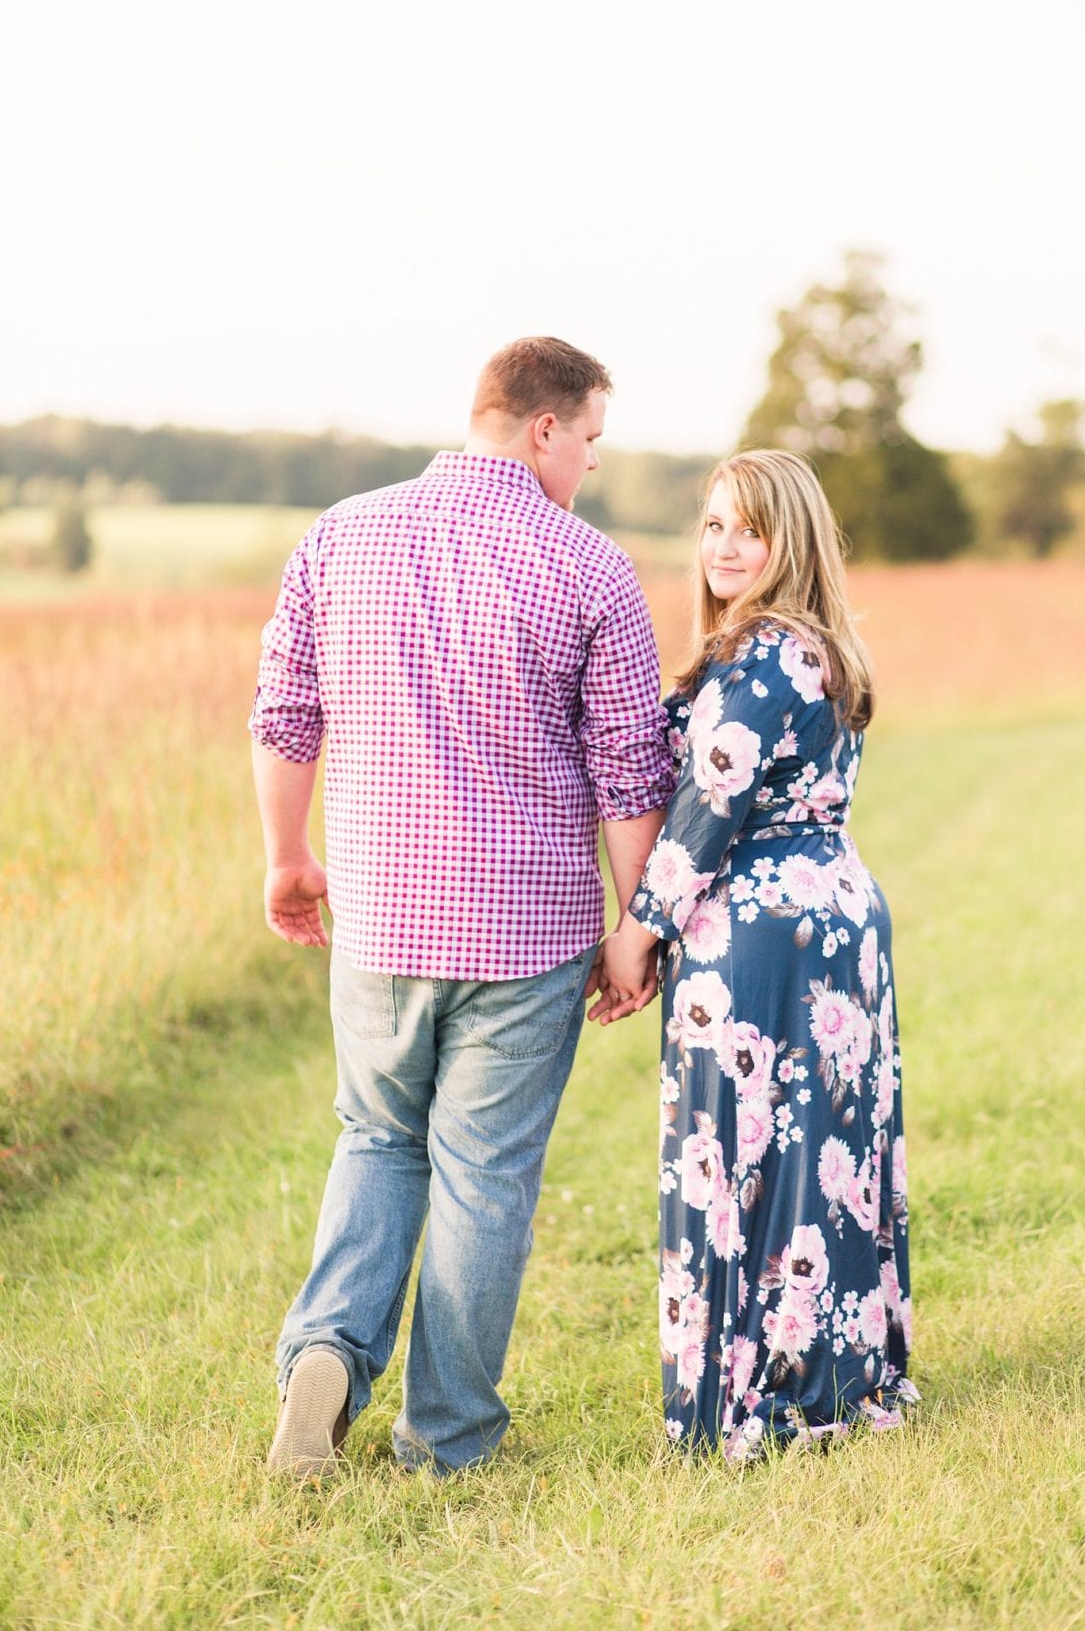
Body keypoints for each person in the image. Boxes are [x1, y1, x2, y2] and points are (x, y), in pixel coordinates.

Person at [249, 336, 671, 1478]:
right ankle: (447, 1440)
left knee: (379, 1140)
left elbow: (286, 712)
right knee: (484, 1175)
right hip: (524, 935)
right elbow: (634, 773)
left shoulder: (344, 533)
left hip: (380, 919)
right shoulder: (590, 567)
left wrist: (288, 857)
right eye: (588, 439)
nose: (588, 463)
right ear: (545, 427)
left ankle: (327, 1360)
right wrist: (633, 927)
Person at [594, 449, 916, 1460]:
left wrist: (635, 935)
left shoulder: (764, 655)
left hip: (761, 934)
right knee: (821, 1153)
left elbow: (708, 811)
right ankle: (826, 1380)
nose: (725, 546)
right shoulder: (814, 649)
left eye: (750, 528)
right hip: (833, 915)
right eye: (713, 525)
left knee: (738, 1153)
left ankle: (752, 1399)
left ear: (793, 542)